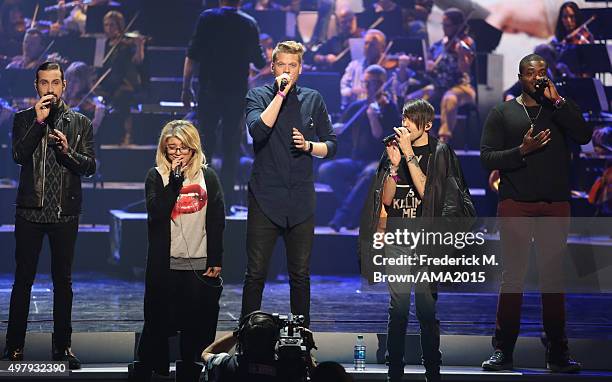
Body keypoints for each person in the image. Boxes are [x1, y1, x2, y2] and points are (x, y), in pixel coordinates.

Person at [480, 53, 592, 373]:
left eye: (543, 72)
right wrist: (521, 151)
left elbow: (583, 135)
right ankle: (503, 350)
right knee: (513, 277)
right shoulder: (503, 112)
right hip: (516, 202)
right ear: (521, 77)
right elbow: (487, 158)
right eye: (531, 73)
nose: (538, 77)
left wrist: (558, 102)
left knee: (553, 279)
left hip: (555, 204)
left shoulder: (558, 109)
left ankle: (557, 352)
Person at [360, 98, 474, 382]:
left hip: (426, 240)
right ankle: (394, 369)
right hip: (397, 239)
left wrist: (409, 154)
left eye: (412, 119)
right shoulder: (393, 151)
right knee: (397, 307)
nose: (405, 124)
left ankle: (432, 370)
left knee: (425, 307)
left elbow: (430, 195)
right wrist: (395, 166)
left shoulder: (440, 152)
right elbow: (385, 198)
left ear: (427, 123)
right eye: (404, 117)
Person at [2, 61, 96, 369]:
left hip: (64, 213)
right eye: (44, 83)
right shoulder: (23, 119)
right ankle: (14, 347)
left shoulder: (80, 122)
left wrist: (67, 151)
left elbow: (91, 167)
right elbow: (17, 155)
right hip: (30, 212)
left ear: (64, 86)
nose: (50, 89)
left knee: (63, 282)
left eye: (56, 83)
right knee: (23, 281)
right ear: (36, 86)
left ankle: (62, 347)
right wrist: (39, 124)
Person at [242, 41, 337, 327]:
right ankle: (247, 335)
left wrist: (310, 146)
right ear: (272, 67)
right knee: (256, 273)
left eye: (292, 65)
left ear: (300, 69)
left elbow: (332, 145)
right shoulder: (257, 95)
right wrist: (280, 96)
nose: (286, 70)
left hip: (300, 199)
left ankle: (301, 339)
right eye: (281, 65)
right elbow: (258, 130)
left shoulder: (313, 99)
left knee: (300, 275)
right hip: (265, 198)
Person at [128, 120, 225, 382]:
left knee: (197, 324)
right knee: (158, 321)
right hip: (166, 264)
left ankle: (192, 371)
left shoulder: (209, 177)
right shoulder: (156, 176)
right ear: (164, 149)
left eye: (183, 148)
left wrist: (216, 257)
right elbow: (157, 214)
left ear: (193, 149)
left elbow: (217, 219)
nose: (178, 153)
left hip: (198, 262)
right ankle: (153, 370)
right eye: (172, 148)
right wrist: (174, 182)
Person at [182, 0, 266, 207]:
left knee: (205, 144)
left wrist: (185, 87)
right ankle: (225, 202)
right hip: (235, 94)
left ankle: (201, 197)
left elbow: (192, 55)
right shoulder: (249, 23)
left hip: (209, 91)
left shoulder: (207, 18)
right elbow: (259, 61)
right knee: (230, 147)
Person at [319, 64, 399, 231]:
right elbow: (341, 131)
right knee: (326, 169)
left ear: (383, 84)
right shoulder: (357, 107)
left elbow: (382, 138)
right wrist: (334, 130)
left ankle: (342, 216)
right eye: (367, 83)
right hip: (356, 160)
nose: (370, 88)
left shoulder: (390, 109)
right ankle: (357, 214)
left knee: (369, 173)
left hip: (380, 161)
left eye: (375, 83)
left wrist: (373, 118)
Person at [403, 8, 475, 143]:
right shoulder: (438, 45)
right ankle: (428, 136)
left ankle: (444, 139)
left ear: (458, 25)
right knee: (411, 101)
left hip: (462, 87)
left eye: (447, 25)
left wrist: (461, 55)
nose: (444, 28)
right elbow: (427, 65)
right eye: (443, 25)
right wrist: (426, 65)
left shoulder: (466, 43)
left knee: (449, 98)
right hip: (439, 87)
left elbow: (465, 70)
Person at [203, 311, 316, 382]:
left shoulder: (226, 364)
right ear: (275, 340)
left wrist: (236, 333)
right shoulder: (289, 370)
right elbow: (318, 376)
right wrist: (307, 348)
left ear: (241, 337)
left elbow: (207, 353)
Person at [97, 10, 146, 146]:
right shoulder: (103, 43)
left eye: (112, 25)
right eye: (106, 25)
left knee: (123, 96)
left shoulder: (126, 44)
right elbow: (97, 65)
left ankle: (127, 135)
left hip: (124, 83)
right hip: (107, 83)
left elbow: (138, 61)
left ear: (119, 26)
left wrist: (139, 45)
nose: (109, 28)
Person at [311, 8, 363, 73]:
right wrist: (325, 58)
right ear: (339, 24)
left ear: (355, 19)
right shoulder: (334, 41)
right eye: (344, 22)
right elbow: (314, 56)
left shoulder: (364, 38)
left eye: (350, 20)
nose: (348, 25)